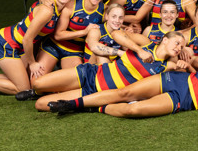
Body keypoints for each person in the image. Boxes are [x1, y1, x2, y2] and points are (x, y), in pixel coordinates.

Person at [43, 37, 198, 120]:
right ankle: (71, 104)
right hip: (176, 80)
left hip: (187, 100)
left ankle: (92, 106)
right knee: (124, 93)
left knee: (132, 109)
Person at [32, 31, 187, 110]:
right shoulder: (146, 44)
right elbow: (116, 34)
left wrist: (184, 65)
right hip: (91, 74)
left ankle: (56, 94)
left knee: (40, 105)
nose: (178, 47)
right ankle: (40, 91)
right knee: (37, 84)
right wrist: (138, 50)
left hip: (96, 93)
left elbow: (186, 77)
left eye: (181, 46)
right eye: (177, 42)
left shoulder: (167, 66)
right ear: (165, 40)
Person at [36, 0, 105, 73]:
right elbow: (58, 35)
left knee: (76, 81)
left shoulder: (103, 11)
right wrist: (84, 32)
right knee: (36, 80)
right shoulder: (71, 6)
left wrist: (128, 27)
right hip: (54, 45)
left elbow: (113, 22)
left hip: (74, 51)